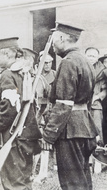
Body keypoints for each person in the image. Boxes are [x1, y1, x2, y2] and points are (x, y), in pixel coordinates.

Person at [42, 22, 98, 190]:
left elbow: (63, 103)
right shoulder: (85, 61)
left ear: (61, 38)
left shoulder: (68, 62)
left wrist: (49, 135)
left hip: (70, 129)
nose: (52, 45)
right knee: (83, 179)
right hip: (84, 127)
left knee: (72, 183)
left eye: (53, 40)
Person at [0, 37, 42, 190]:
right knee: (24, 180)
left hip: (14, 135)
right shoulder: (24, 73)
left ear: (7, 54)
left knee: (13, 182)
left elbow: (10, 107)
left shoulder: (8, 74)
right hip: (27, 134)